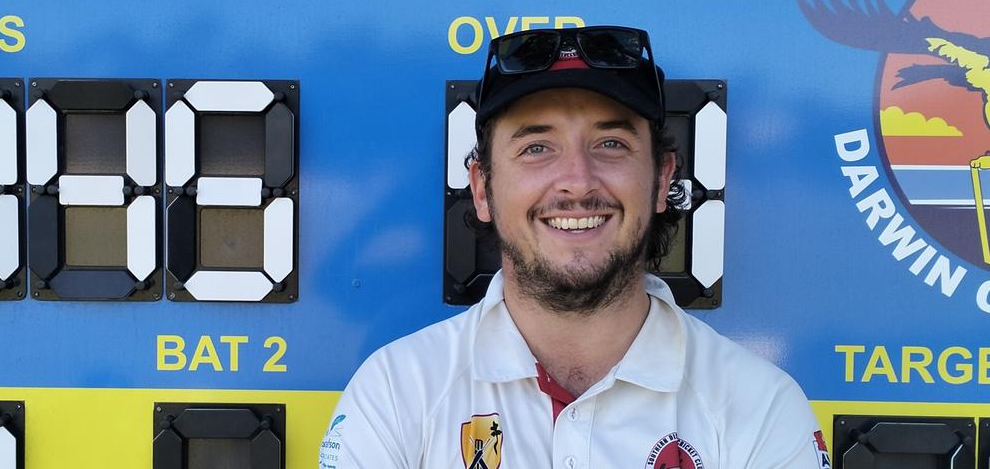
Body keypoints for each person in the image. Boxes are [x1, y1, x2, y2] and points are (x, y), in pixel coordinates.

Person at [320, 26, 827, 469]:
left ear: (661, 179)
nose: (576, 182)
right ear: (481, 189)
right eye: (536, 148)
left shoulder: (761, 407)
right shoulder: (395, 391)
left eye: (611, 144)